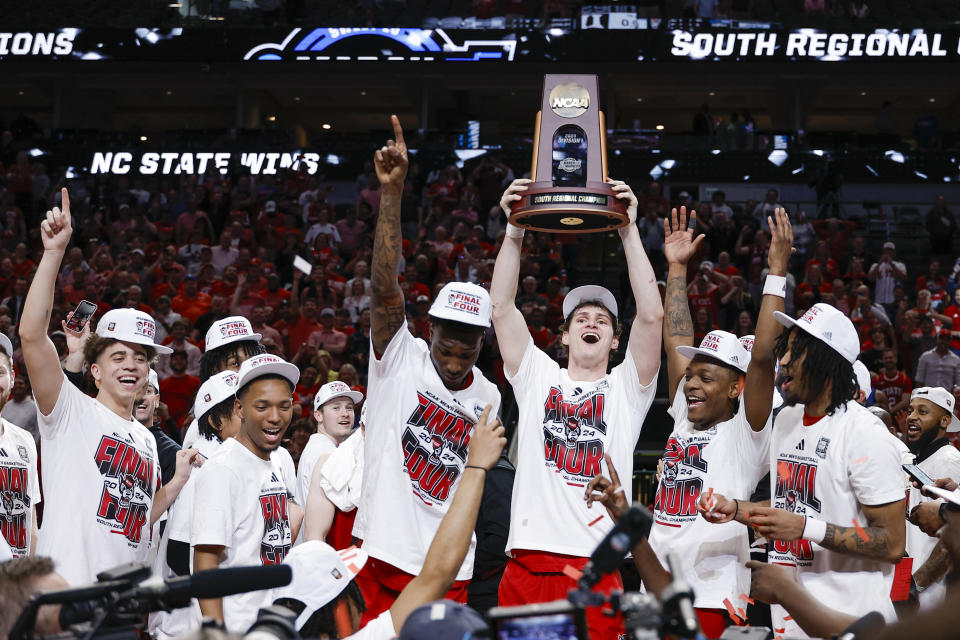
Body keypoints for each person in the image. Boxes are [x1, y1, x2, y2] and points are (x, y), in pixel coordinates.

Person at [489, 174, 662, 640]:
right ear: (564, 336)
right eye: (580, 318)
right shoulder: (538, 375)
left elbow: (652, 315)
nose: (591, 322)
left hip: (595, 566)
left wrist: (628, 229)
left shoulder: (628, 388)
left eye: (602, 319)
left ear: (614, 338)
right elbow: (501, 306)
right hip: (525, 564)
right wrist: (514, 230)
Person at [357, 116, 502, 626]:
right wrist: (392, 194)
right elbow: (382, 289)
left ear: (483, 342)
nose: (455, 357)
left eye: (468, 348)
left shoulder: (489, 395)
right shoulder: (400, 355)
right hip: (384, 554)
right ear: (430, 329)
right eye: (447, 344)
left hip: (449, 567)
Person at [20, 189, 199, 586]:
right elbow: (31, 335)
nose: (132, 365)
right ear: (95, 370)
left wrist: (176, 483)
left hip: (120, 605)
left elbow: (137, 516)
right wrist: (53, 254)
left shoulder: (147, 439)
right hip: (64, 598)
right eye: (119, 357)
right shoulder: (69, 410)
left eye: (140, 358)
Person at [701, 302, 906, 636]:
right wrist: (737, 509)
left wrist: (805, 528)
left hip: (853, 622)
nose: (783, 362)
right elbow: (795, 508)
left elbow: (893, 543)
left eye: (795, 353)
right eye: (785, 351)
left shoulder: (865, 433)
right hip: (790, 623)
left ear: (826, 360)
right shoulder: (786, 421)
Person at [649, 207, 787, 637]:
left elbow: (762, 356)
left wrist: (777, 270)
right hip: (656, 588)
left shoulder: (746, 433)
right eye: (691, 376)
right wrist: (676, 268)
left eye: (706, 377)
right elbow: (676, 340)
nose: (690, 384)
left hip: (711, 595)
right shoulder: (682, 419)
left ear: (735, 389)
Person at [272, 405, 505, 640]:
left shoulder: (414, 464)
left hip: (400, 579)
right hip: (356, 587)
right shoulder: (332, 465)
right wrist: (476, 468)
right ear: (362, 428)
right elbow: (316, 545)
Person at [191, 353, 304, 632]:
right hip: (238, 624)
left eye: (284, 406)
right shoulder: (223, 468)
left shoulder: (274, 460)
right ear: (240, 409)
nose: (275, 417)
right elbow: (206, 560)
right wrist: (215, 632)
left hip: (269, 619)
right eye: (262, 407)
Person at [902, 387, 960, 607]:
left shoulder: (950, 460)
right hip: (909, 584)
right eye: (910, 410)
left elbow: (954, 534)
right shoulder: (914, 460)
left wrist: (917, 584)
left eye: (923, 412)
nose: (912, 417)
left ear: (944, 421)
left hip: (931, 592)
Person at [296, 381, 362, 535]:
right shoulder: (325, 452)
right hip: (317, 548)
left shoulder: (319, 445)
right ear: (318, 415)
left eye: (349, 407)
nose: (345, 413)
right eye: (336, 407)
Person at [0, 332, 39, 559]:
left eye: (0, 373)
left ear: (13, 378)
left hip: (16, 581)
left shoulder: (24, 440)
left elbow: (30, 522)